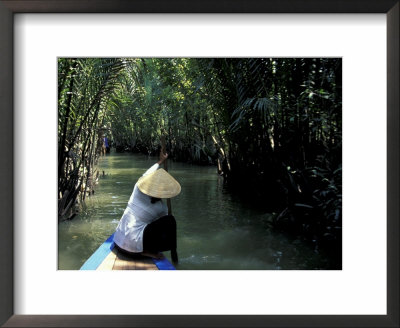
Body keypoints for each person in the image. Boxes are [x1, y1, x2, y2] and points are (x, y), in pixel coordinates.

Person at [113, 151, 181, 263]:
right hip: (133, 250)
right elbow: (164, 227)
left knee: (146, 223)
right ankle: (169, 252)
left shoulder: (138, 189)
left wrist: (160, 161)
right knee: (170, 220)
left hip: (119, 242)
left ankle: (145, 249)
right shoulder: (162, 208)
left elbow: (146, 174)